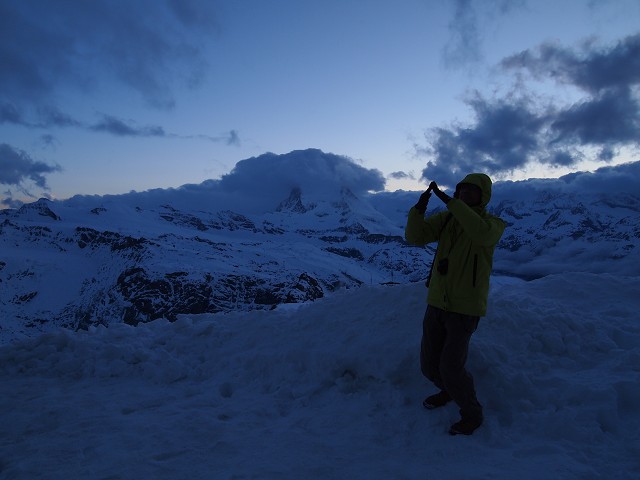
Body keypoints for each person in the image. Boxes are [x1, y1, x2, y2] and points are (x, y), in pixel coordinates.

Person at [405, 173, 506, 435]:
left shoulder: (492, 224)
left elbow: (480, 234)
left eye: (472, 191)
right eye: (462, 190)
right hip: (437, 302)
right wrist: (419, 209)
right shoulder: (448, 218)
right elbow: (416, 237)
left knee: (450, 367)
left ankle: (472, 413)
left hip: (465, 308)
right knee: (429, 366)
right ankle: (449, 391)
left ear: (484, 196)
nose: (464, 194)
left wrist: (451, 203)